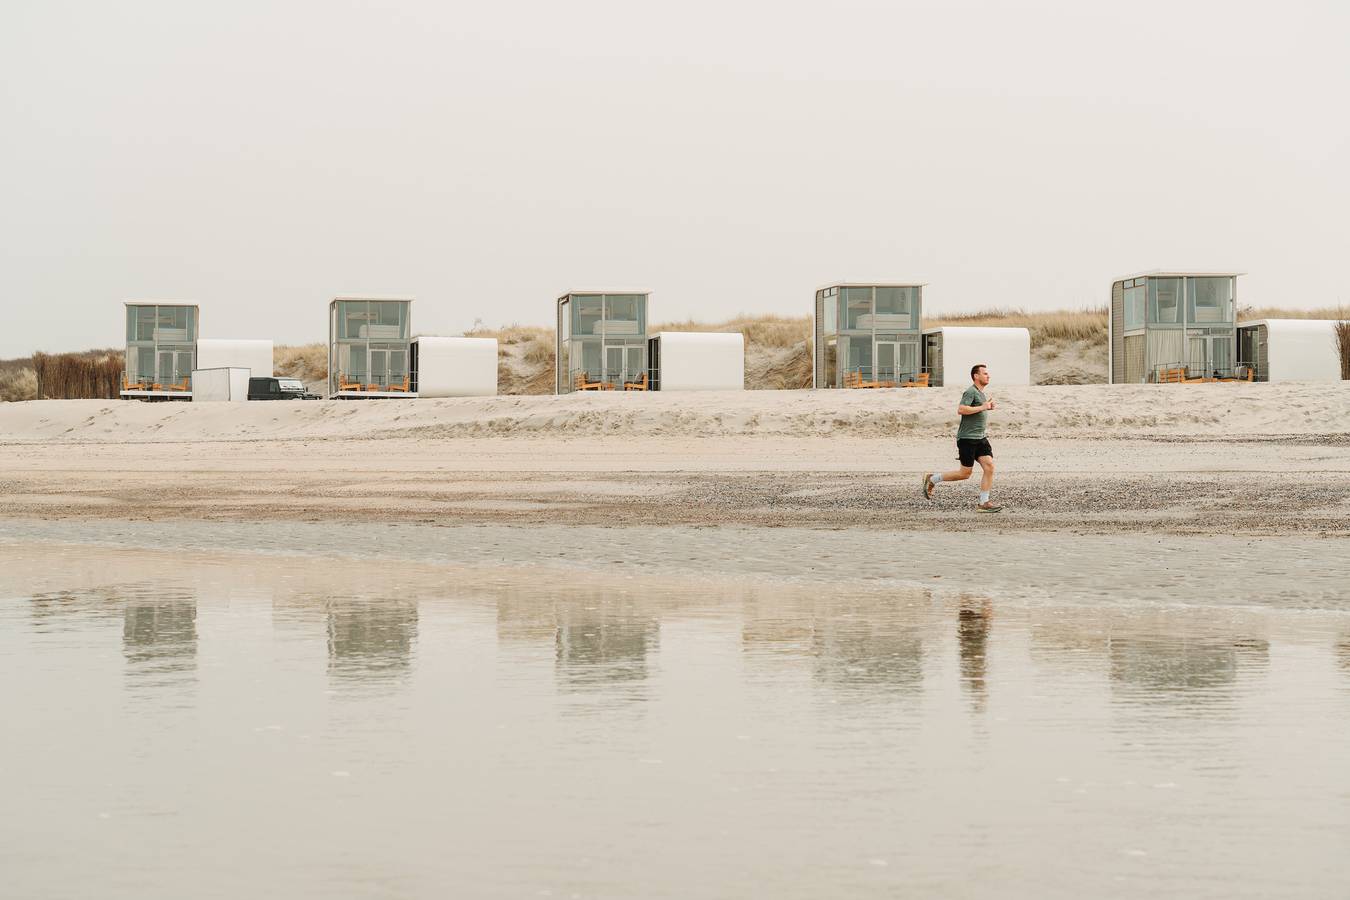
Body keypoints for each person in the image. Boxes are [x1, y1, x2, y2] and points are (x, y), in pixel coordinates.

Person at [922, 363, 1002, 512]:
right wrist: (983, 407)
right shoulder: (970, 392)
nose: (988, 375)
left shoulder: (980, 393)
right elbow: (961, 409)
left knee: (989, 466)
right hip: (967, 439)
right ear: (976, 376)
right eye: (985, 373)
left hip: (980, 438)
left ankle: (984, 503)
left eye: (987, 373)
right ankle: (932, 479)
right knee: (965, 474)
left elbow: (977, 410)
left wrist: (988, 406)